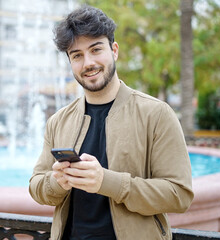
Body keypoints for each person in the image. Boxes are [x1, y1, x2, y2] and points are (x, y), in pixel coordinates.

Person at [29, 5, 194, 240]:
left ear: (114, 50)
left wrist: (106, 182)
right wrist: (57, 182)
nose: (88, 63)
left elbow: (179, 195)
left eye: (96, 50)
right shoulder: (58, 121)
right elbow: (36, 186)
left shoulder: (156, 114)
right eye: (77, 55)